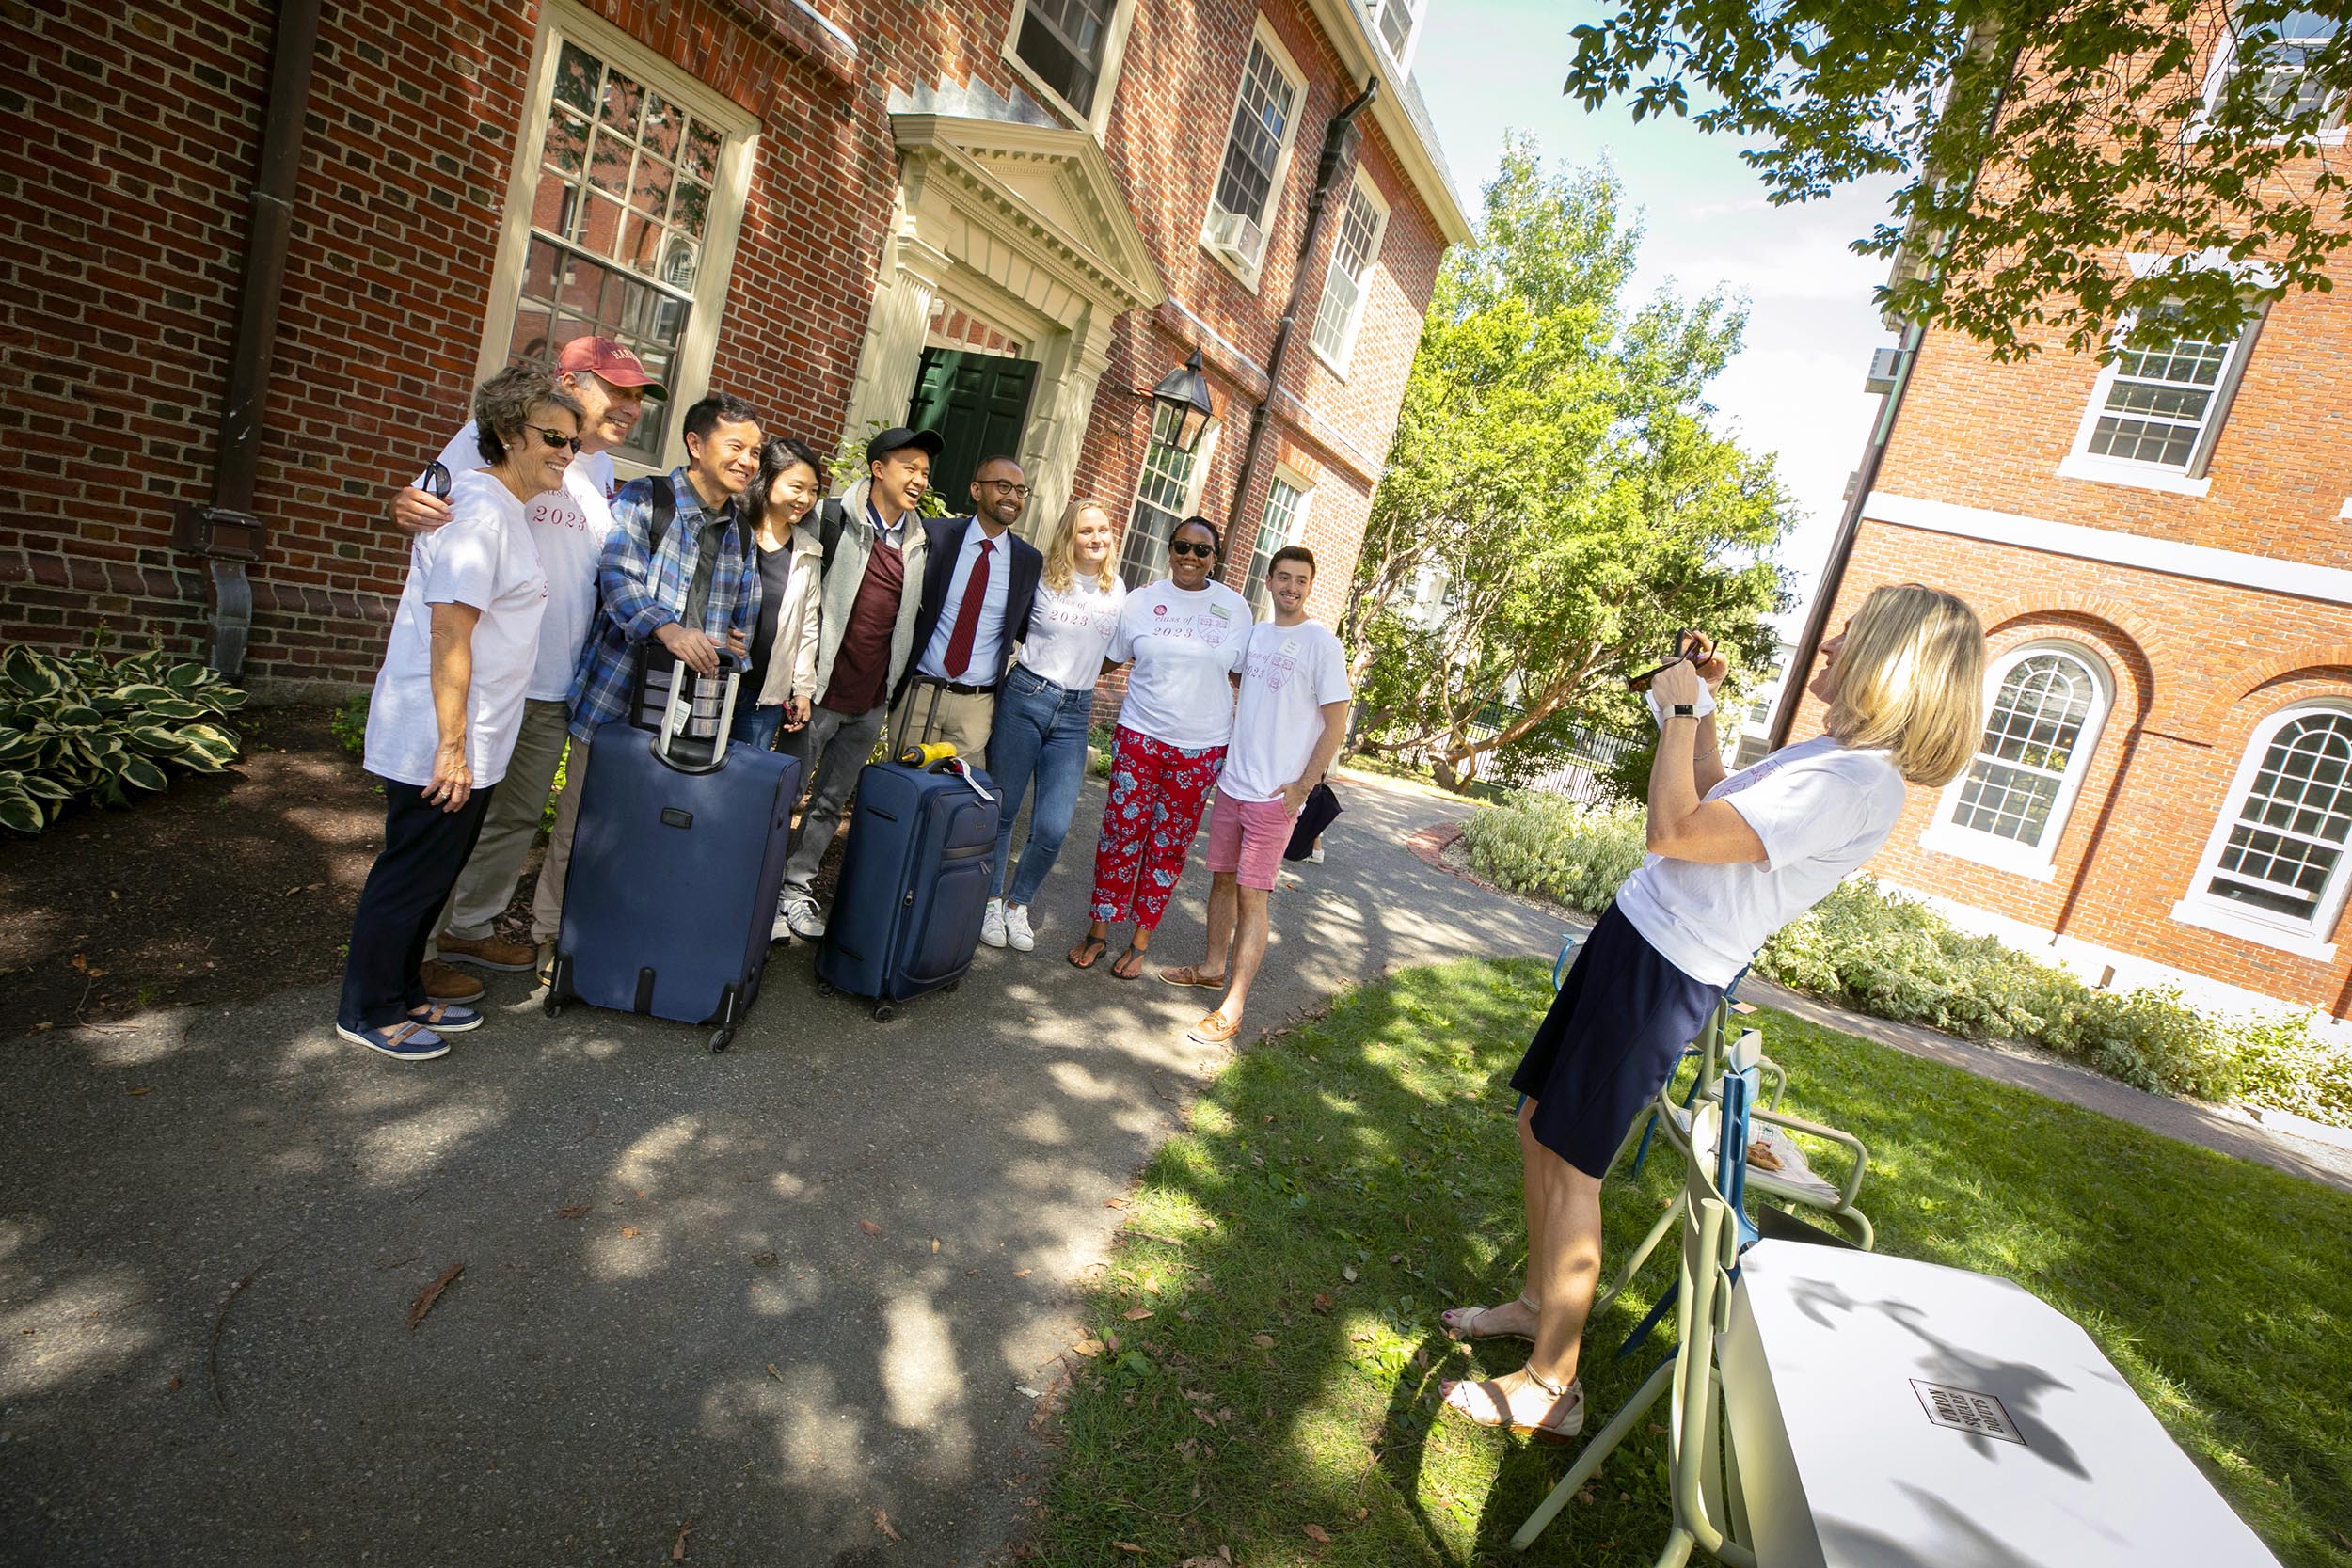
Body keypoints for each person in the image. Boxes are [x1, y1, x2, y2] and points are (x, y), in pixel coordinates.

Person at [1435, 584, 1985, 1443]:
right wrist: (1702, 710)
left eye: (1849, 635)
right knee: (1540, 1125)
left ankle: (1553, 1385)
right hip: (1638, 936)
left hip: (1665, 969)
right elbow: (1719, 797)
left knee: (1575, 1161)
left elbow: (1675, 829)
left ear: (1888, 660)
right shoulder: (1833, 759)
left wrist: (1682, 705)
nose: (1830, 646)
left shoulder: (1854, 783)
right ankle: (1537, 1302)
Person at [392, 337, 663, 989]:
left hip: (551, 683)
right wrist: (404, 506)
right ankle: (414, 953)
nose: (630, 407)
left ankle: (470, 928)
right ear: (569, 383)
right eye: (616, 390)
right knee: (454, 818)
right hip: (486, 678)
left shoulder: (596, 471)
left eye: (636, 396)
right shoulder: (495, 440)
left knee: (513, 817)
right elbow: (430, 505)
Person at [335, 365, 576, 1058]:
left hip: (477, 736)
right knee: (410, 876)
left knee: (433, 875)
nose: (566, 451)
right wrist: (450, 745)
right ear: (506, 434)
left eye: (573, 440)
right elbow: (450, 632)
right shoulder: (476, 508)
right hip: (437, 738)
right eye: (552, 436)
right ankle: (367, 1008)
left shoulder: (508, 511)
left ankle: (405, 989)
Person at [535, 392, 765, 967]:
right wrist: (670, 630)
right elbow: (617, 575)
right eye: (735, 447)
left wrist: (735, 645)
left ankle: (618, 939)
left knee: (650, 829)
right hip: (616, 694)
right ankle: (551, 940)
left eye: (756, 452)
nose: (747, 461)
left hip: (690, 710)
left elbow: (745, 609)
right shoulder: (646, 497)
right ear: (695, 444)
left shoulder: (739, 528)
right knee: (582, 827)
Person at [1159, 546, 1350, 1043]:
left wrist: (1303, 786)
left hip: (1275, 795)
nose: (1291, 587)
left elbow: (1335, 723)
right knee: (1221, 881)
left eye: (1301, 580)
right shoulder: (1257, 635)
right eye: (1283, 577)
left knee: (1253, 895)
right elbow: (1239, 679)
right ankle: (1210, 968)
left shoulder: (1322, 645)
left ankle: (1233, 1006)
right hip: (1233, 784)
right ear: (1268, 581)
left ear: (1310, 586)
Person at [771, 428, 938, 942]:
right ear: (878, 468)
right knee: (786, 795)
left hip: (870, 701)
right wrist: (799, 680)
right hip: (818, 692)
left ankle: (794, 890)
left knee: (829, 803)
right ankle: (757, 890)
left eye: (925, 472)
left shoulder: (919, 540)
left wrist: (886, 694)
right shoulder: (831, 520)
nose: (919, 479)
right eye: (909, 467)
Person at [1068, 516, 1251, 980]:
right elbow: (1106, 658)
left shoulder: (1235, 609)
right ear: (1169, 550)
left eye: (1201, 551)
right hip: (1140, 738)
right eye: (1182, 547)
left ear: (1215, 559)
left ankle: (1140, 940)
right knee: (1119, 837)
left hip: (1201, 749)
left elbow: (1246, 678)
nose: (1190, 557)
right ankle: (1098, 931)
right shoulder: (1142, 602)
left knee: (1168, 847)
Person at [979, 497, 1126, 953]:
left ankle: (1018, 905)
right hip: (1026, 697)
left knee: (1053, 826)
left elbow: (1112, 656)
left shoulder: (1116, 589)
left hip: (1075, 713)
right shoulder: (1041, 578)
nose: (1095, 538)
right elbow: (1011, 629)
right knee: (1002, 810)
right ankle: (989, 899)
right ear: (1069, 535)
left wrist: (1077, 683)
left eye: (1103, 530)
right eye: (1085, 530)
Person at [892, 454, 1043, 765]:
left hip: (977, 707)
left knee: (954, 804)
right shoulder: (934, 535)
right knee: (899, 793)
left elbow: (1029, 626)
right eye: (1003, 486)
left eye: (1020, 490)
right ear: (976, 490)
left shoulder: (1028, 561)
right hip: (919, 693)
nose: (1013, 497)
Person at [734, 436, 828, 765]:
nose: (805, 499)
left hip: (764, 698)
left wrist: (802, 689)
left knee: (744, 785)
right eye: (796, 487)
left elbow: (808, 627)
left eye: (814, 490)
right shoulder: (733, 529)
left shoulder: (808, 551)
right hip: (714, 685)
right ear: (767, 479)